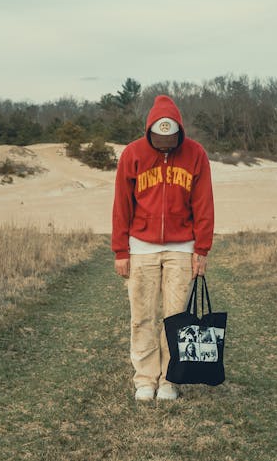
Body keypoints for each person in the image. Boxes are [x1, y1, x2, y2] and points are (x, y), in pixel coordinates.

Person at [112, 94, 214, 401]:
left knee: (176, 317)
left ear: (180, 132)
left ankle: (170, 379)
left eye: (170, 138)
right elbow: (121, 204)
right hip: (140, 246)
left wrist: (202, 249)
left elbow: (204, 203)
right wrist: (120, 251)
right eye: (159, 138)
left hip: (182, 247)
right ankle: (145, 379)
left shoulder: (196, 155)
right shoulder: (132, 154)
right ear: (149, 132)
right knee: (142, 315)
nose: (164, 144)